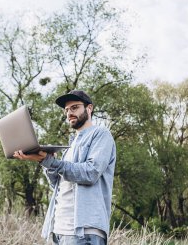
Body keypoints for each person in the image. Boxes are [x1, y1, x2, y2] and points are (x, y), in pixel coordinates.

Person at [14, 90, 116, 245]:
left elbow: (90, 173)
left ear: (89, 108)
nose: (69, 113)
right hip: (58, 230)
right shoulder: (70, 145)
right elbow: (57, 185)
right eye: (67, 110)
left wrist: (51, 162)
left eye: (74, 107)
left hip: (84, 232)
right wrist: (43, 161)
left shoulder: (101, 134)